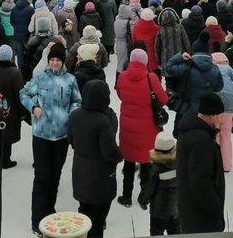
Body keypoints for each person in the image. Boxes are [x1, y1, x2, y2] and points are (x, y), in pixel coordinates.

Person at [20, 42, 82, 236]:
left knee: (55, 177)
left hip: (61, 137)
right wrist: (33, 107)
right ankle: (36, 219)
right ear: (48, 61)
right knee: (42, 177)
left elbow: (77, 101)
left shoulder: (70, 80)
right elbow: (23, 93)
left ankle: (49, 211)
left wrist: (69, 115)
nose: (55, 63)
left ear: (63, 62)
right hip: (42, 135)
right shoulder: (39, 78)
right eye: (52, 60)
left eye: (58, 60)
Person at [67, 80, 122, 238]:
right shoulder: (102, 121)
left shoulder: (75, 115)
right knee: (97, 222)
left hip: (80, 173)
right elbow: (109, 152)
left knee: (84, 216)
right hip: (100, 178)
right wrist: (120, 156)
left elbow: (70, 139)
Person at [116, 47, 169, 206]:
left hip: (127, 126)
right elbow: (164, 99)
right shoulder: (151, 78)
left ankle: (126, 197)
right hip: (147, 127)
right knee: (146, 162)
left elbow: (119, 94)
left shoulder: (123, 76)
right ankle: (144, 197)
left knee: (129, 162)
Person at [176, 92, 225, 234]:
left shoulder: (189, 131)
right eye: (220, 115)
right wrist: (216, 208)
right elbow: (200, 182)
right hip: (201, 217)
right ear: (212, 116)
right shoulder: (201, 141)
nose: (221, 119)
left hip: (189, 210)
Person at [138, 133, 180, 236]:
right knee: (176, 233)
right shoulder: (179, 164)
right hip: (175, 209)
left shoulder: (155, 169)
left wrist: (142, 201)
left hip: (158, 212)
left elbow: (148, 188)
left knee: (156, 233)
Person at [0, 44, 25, 169]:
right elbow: (20, 93)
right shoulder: (14, 72)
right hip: (10, 108)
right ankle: (6, 158)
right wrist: (23, 111)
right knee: (8, 131)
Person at [211, 52, 233, 171]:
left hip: (215, 105)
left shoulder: (211, 69)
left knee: (213, 134)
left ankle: (213, 163)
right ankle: (226, 165)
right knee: (226, 135)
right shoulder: (230, 70)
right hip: (230, 105)